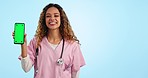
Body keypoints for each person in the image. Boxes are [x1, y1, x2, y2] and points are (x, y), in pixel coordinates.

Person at [12, 3, 85, 78]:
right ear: (44, 20)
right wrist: (23, 45)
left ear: (61, 19)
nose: (52, 18)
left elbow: (75, 73)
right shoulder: (36, 42)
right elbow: (26, 68)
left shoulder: (73, 45)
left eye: (56, 15)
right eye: (48, 16)